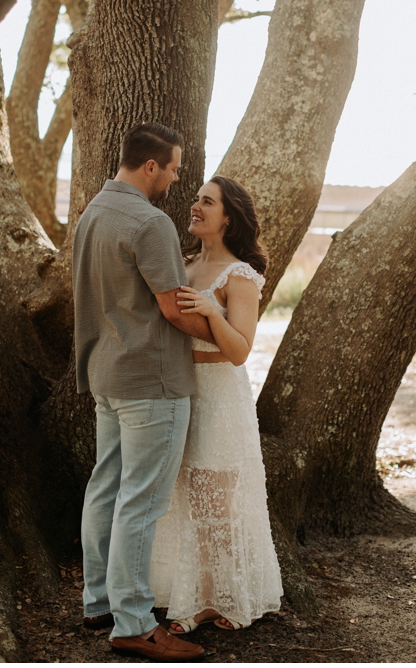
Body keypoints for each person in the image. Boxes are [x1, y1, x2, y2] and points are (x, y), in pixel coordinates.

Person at [73, 122, 215, 662]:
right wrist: (228, 336)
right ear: (150, 166)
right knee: (142, 501)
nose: (177, 178)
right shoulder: (149, 222)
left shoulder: (92, 213)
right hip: (151, 381)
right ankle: (132, 623)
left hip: (106, 375)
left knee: (106, 487)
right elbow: (172, 308)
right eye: (174, 168)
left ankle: (99, 602)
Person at [150, 176, 283, 633]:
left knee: (216, 502)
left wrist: (209, 312)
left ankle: (212, 598)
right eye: (195, 199)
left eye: (207, 201)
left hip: (220, 395)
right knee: (178, 492)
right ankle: (176, 589)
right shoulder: (182, 264)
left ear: (229, 217)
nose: (195, 206)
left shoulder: (240, 275)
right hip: (176, 389)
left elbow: (240, 350)